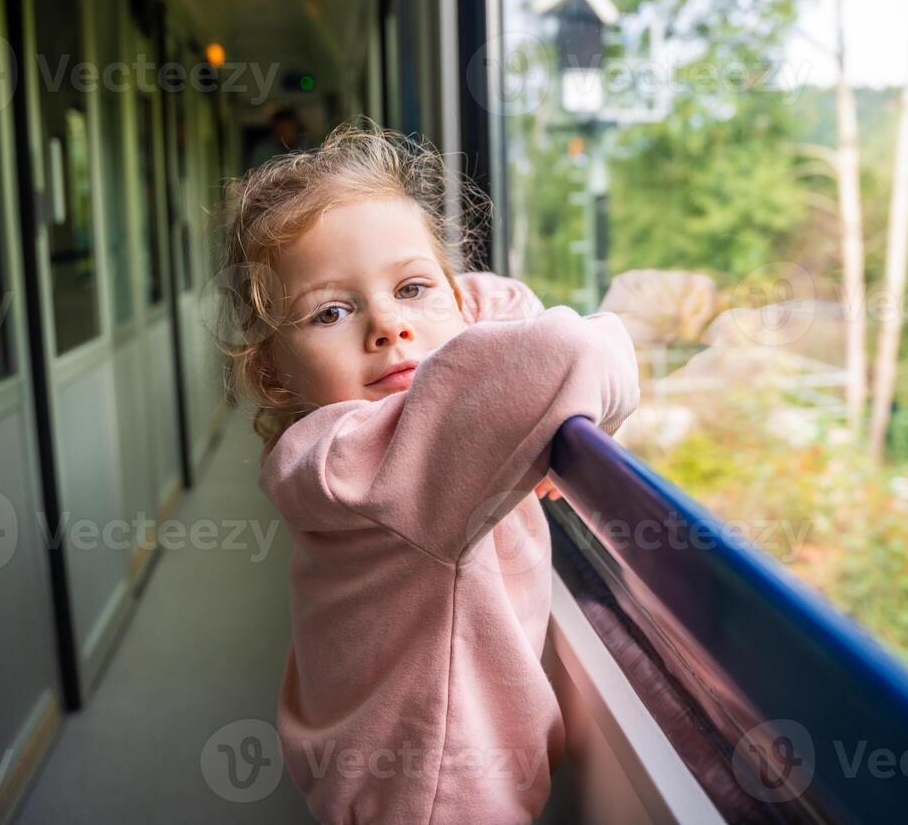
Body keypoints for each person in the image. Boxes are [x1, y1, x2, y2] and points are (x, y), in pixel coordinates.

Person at [216, 123, 640, 823]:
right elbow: (568, 353)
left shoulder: (331, 445)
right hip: (440, 795)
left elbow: (496, 324)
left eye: (411, 288)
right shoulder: (372, 456)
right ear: (273, 372)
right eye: (331, 311)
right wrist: (433, 296)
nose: (388, 327)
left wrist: (437, 296)